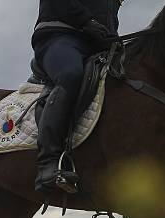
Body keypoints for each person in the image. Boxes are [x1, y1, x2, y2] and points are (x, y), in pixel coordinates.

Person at [32, 0, 122, 193]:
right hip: (59, 36)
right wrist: (87, 22)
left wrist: (112, 38)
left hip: (98, 45)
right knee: (70, 75)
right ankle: (48, 162)